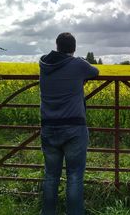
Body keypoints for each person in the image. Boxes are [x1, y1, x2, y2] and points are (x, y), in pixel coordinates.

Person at [39, 32, 99, 215]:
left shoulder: (44, 64)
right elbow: (95, 72)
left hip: (48, 127)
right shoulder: (78, 64)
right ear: (73, 48)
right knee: (74, 176)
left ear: (57, 46)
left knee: (50, 175)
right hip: (74, 128)